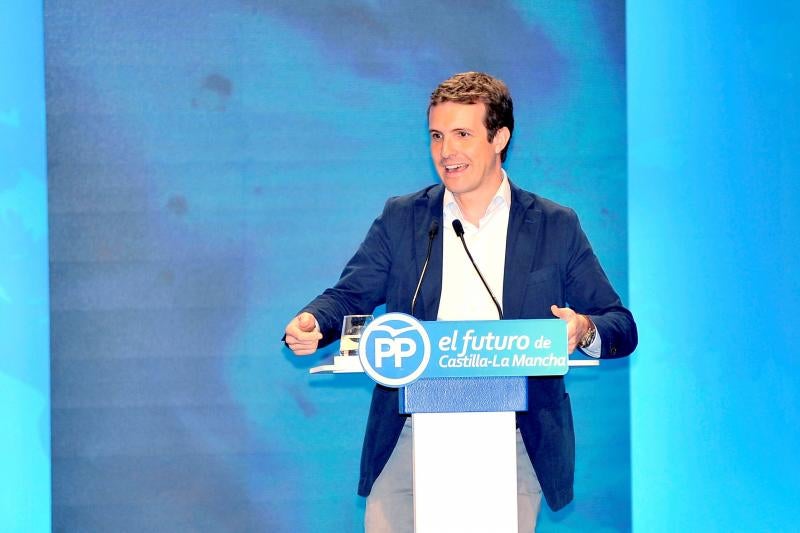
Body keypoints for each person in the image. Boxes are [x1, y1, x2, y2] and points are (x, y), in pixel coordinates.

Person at [284, 71, 637, 532]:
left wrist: (583, 329)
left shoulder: (555, 225)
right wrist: (315, 321)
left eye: (462, 135)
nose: (446, 151)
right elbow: (350, 294)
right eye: (437, 136)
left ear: (499, 138)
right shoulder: (404, 218)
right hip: (410, 432)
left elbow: (619, 325)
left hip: (514, 436)